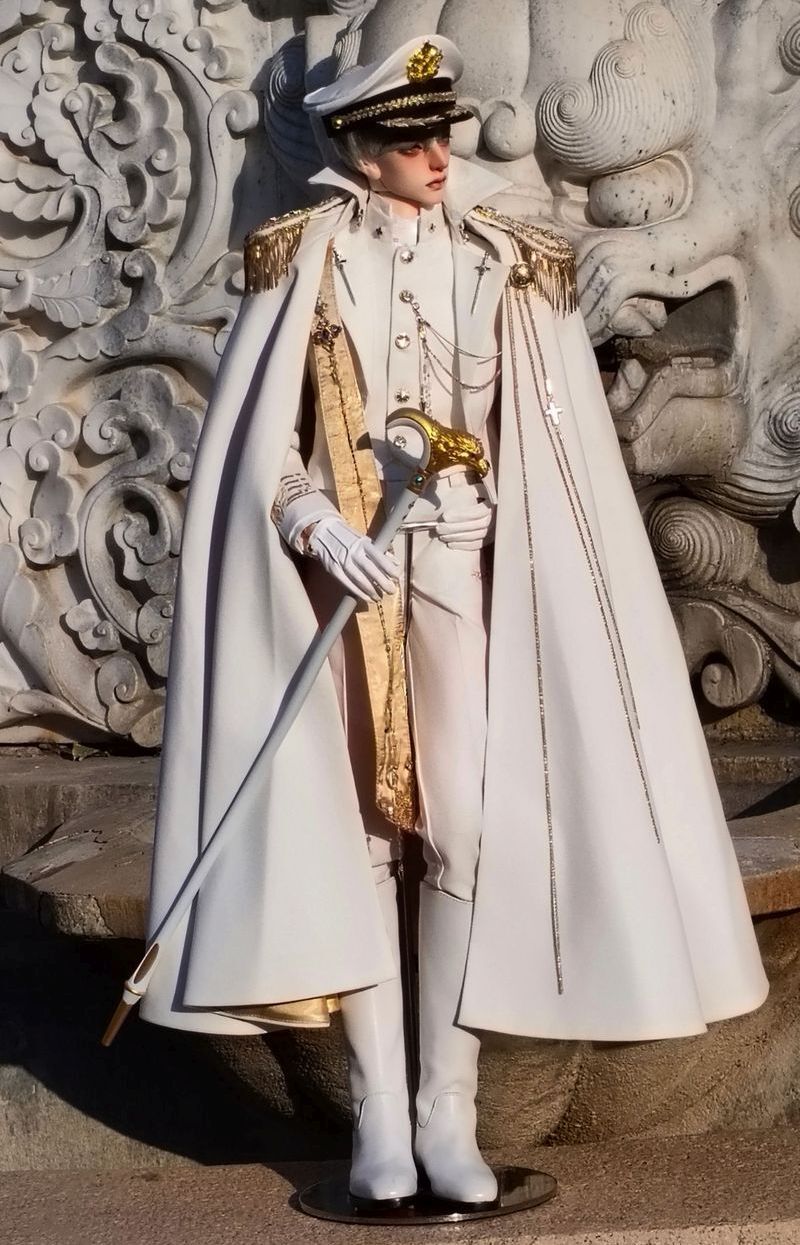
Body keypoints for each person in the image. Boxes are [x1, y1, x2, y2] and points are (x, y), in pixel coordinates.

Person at [140, 33, 768, 1209]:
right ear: (357, 150)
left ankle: (447, 1108)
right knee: (363, 836)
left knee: (465, 833)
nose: (436, 153)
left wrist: (509, 516)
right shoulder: (298, 260)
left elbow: (554, 437)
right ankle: (379, 1112)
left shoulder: (507, 260)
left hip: (468, 581)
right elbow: (256, 447)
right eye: (409, 137)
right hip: (340, 592)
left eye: (441, 132)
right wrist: (309, 519)